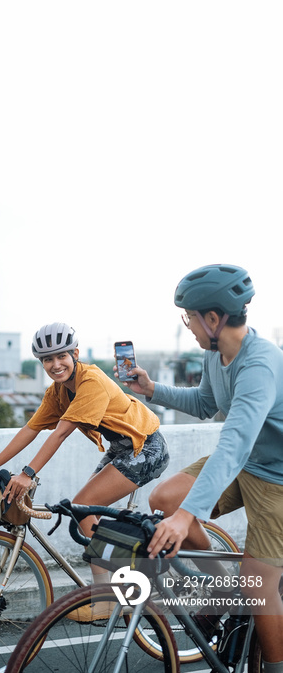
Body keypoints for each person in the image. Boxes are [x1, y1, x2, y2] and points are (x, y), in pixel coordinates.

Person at [121, 264, 283, 673]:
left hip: (277, 477)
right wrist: (152, 390)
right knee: (165, 499)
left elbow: (234, 443)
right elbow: (205, 404)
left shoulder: (260, 364)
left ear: (214, 319)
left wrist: (188, 517)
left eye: (189, 317)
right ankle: (224, 589)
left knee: (260, 585)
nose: (188, 325)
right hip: (246, 462)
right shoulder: (217, 355)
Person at [0, 322, 169, 619]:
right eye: (47, 360)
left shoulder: (91, 382)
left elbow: (60, 434)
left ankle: (114, 593)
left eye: (61, 356)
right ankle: (114, 583)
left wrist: (27, 473)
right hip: (122, 448)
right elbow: (31, 429)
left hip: (146, 447)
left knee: (83, 509)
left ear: (75, 354)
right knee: (84, 512)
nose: (55, 365)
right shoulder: (58, 392)